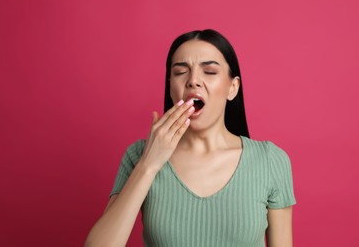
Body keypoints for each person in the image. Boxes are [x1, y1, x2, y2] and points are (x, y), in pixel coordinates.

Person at [85, 29, 296, 247]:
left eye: (210, 72)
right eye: (180, 72)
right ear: (170, 87)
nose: (193, 81)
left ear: (232, 88)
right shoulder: (139, 155)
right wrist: (149, 164)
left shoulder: (270, 161)